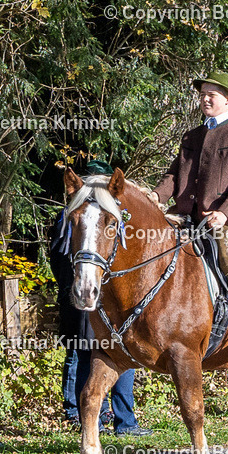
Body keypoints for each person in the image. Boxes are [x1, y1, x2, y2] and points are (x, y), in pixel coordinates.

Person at [149, 70, 228, 358]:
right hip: (184, 215)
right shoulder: (191, 135)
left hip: (220, 219)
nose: (205, 99)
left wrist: (225, 213)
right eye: (202, 94)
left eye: (211, 95)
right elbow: (175, 174)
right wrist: (156, 195)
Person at [50, 159, 152, 437]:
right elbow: (61, 257)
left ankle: (122, 419)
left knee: (118, 357)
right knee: (83, 357)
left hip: (104, 297)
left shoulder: (110, 213)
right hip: (82, 294)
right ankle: (81, 414)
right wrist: (76, 286)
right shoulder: (73, 215)